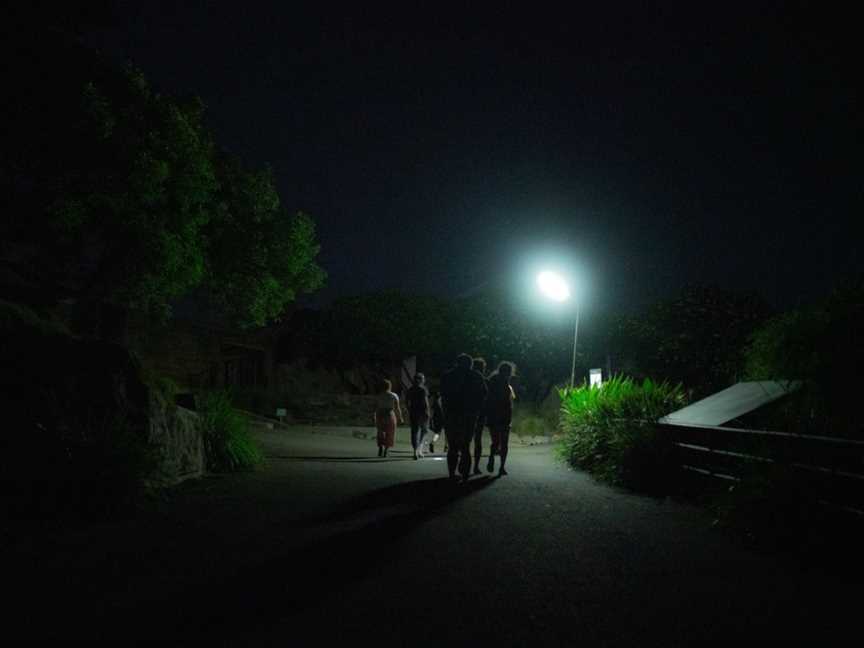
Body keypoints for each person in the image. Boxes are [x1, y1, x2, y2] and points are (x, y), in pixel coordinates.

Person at [439, 353, 487, 482]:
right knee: (466, 446)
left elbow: (442, 395)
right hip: (469, 415)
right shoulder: (476, 376)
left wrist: (445, 412)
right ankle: (465, 475)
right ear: (470, 364)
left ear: (457, 363)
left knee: (453, 446)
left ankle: (451, 474)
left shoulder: (448, 376)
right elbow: (483, 396)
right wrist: (477, 411)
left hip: (452, 415)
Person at [486, 361, 516, 475]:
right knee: (503, 443)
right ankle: (501, 466)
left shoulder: (493, 381)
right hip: (503, 416)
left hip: (494, 416)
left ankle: (493, 459)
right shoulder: (505, 384)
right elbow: (509, 402)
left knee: (496, 442)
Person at [374, 378, 403, 457]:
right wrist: (400, 417)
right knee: (390, 432)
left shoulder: (379, 395)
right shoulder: (394, 395)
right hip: (389, 414)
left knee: (380, 432)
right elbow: (397, 408)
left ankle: (380, 446)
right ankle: (386, 450)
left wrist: (374, 416)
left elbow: (376, 407)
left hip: (380, 413)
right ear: (390, 386)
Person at [470, 356, 489, 475]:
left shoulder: (466, 379)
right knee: (477, 440)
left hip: (467, 412)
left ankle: (464, 462)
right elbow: (487, 397)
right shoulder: (484, 381)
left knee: (465, 439)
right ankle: (475, 466)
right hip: (480, 414)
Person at [405, 372, 430, 459]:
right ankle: (419, 450)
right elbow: (425, 402)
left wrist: (409, 410)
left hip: (413, 412)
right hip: (422, 412)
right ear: (420, 380)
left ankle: (415, 451)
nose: (424, 380)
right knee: (424, 431)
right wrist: (427, 413)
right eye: (423, 379)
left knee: (414, 432)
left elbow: (406, 401)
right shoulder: (423, 389)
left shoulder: (410, 389)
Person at [428, 389, 444, 454]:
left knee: (438, 432)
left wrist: (431, 420)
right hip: (443, 418)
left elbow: (432, 413)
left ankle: (433, 442)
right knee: (445, 432)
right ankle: (446, 446)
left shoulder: (435, 403)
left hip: (436, 419)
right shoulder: (442, 401)